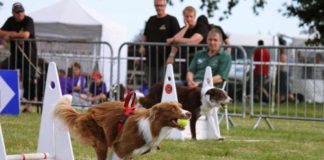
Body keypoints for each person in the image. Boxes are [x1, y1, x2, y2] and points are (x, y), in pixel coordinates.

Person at [0, 2, 38, 112]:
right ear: (13, 13)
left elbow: (25, 35)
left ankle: (29, 104)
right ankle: (6, 99)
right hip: (15, 55)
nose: (20, 14)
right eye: (17, 12)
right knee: (6, 71)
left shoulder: (28, 20)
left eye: (21, 11)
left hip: (29, 55)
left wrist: (10, 35)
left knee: (28, 78)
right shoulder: (10, 20)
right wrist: (13, 35)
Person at [140, 0, 180, 86]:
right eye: (157, 5)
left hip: (165, 61)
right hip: (150, 61)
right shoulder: (151, 20)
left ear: (165, 6)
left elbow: (177, 40)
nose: (159, 8)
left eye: (161, 5)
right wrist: (142, 47)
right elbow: (145, 36)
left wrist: (171, 55)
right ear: (154, 6)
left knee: (163, 86)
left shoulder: (172, 20)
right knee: (150, 86)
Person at [166, 6, 209, 80]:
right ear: (183, 17)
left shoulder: (201, 27)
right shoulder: (183, 29)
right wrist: (171, 55)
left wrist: (175, 39)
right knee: (184, 80)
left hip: (202, 60)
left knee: (197, 81)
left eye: (191, 16)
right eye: (186, 16)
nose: (189, 19)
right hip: (188, 59)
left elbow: (193, 41)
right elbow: (175, 43)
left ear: (194, 17)